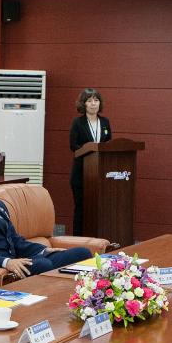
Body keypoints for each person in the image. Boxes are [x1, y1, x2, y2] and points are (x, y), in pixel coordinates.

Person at [0, 160, 94, 277]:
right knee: (44, 265)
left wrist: (43, 250)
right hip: (1, 265)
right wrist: (6, 262)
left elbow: (15, 240)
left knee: (83, 253)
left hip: (20, 258)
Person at [68, 87, 111, 236]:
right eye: (89, 100)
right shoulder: (78, 123)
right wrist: (90, 149)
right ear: (83, 104)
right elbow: (73, 146)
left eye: (96, 100)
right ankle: (78, 240)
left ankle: (97, 239)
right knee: (81, 209)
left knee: (98, 209)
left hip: (100, 174)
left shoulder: (105, 122)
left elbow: (109, 144)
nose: (93, 103)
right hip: (81, 174)